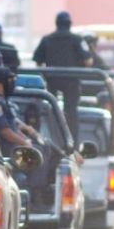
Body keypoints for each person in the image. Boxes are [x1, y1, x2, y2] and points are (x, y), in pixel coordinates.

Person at [32, 11, 92, 147]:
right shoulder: (77, 39)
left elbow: (38, 61)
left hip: (52, 79)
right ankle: (72, 145)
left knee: (52, 112)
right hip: (72, 80)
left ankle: (54, 142)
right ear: (70, 23)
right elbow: (88, 61)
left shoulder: (47, 39)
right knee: (71, 112)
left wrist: (46, 75)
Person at [0, 67, 36, 156]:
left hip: (11, 150)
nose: (12, 82)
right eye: (10, 79)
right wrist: (24, 143)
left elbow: (13, 126)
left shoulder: (3, 100)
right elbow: (4, 131)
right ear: (2, 81)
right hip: (4, 153)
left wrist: (26, 140)